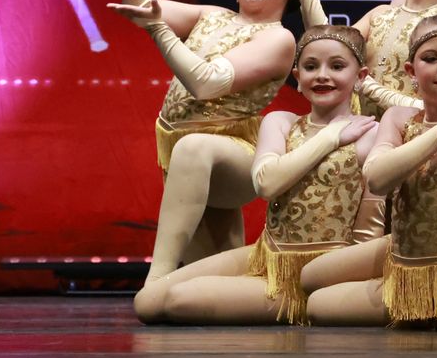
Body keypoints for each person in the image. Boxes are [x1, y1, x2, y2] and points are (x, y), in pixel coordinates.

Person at [99, 0, 307, 278]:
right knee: (211, 275)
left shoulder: (280, 39)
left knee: (195, 148)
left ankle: (155, 279)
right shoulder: (211, 15)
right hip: (184, 157)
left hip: (236, 159)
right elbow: (141, 5)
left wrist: (159, 29)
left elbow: (206, 84)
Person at [132, 25, 383, 324]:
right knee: (147, 302)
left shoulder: (372, 133)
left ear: (361, 76)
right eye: (311, 66)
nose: (322, 75)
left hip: (319, 274)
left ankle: (300, 305)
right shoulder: (280, 123)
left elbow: (368, 233)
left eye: (337, 66)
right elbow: (266, 183)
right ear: (297, 78)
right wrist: (330, 138)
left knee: (178, 299)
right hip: (267, 256)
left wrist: (335, 290)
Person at [302, 13, 437, 329]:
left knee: (316, 305)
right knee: (308, 276)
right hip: (398, 253)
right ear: (411, 70)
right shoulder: (399, 117)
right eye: (431, 58)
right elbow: (378, 178)